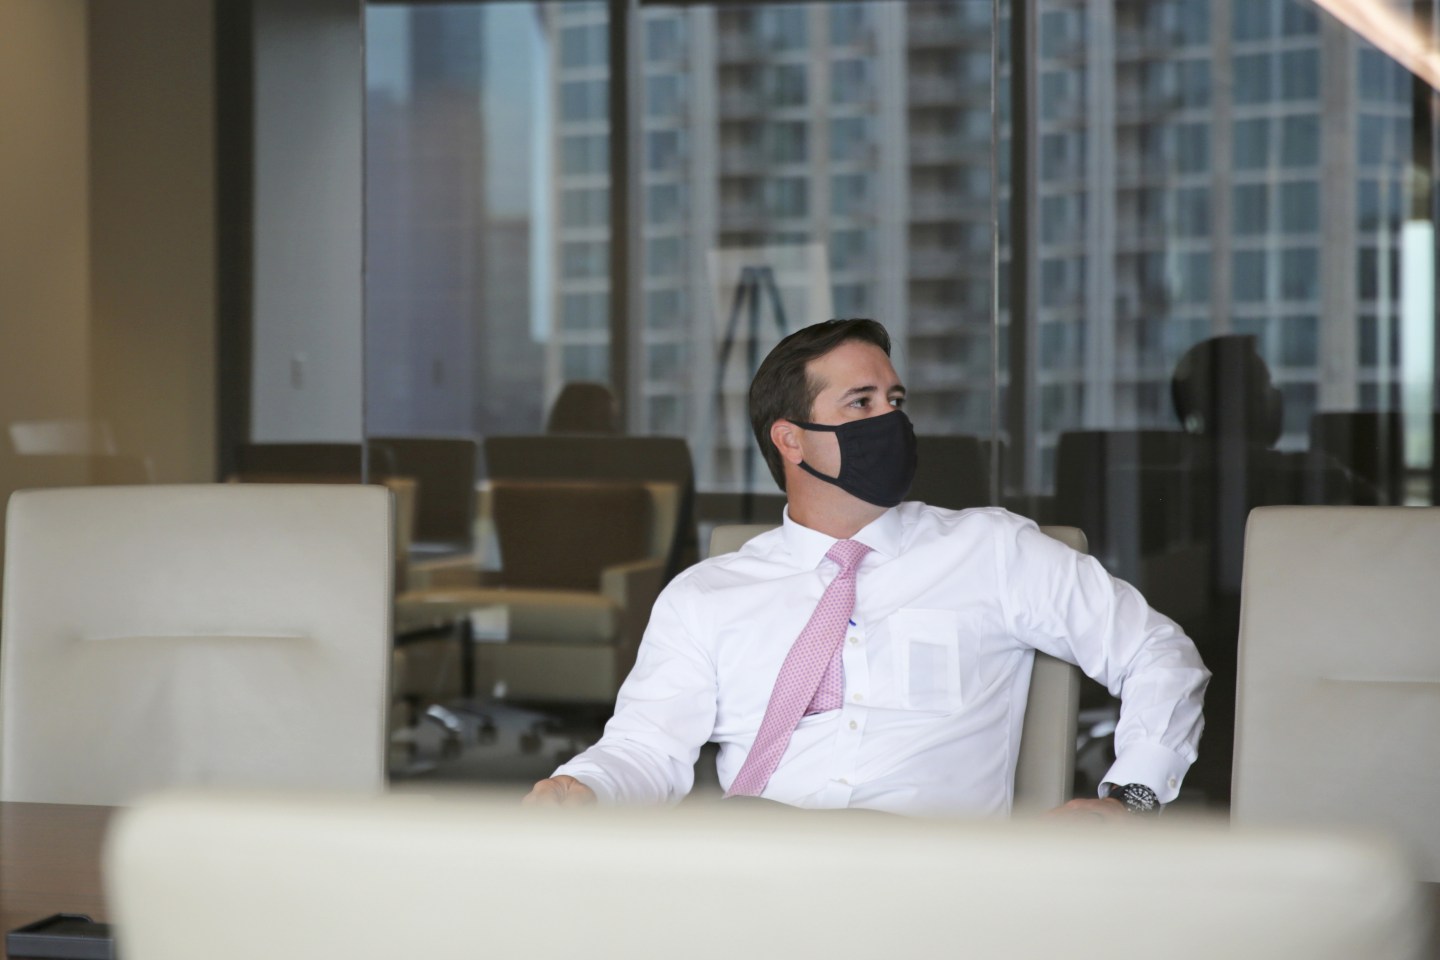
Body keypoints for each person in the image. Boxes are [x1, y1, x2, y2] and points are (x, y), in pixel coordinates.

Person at [526, 319, 1209, 817]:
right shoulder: (707, 595)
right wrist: (581, 786)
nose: (890, 419)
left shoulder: (992, 552)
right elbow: (647, 748)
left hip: (926, 880)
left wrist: (1129, 798)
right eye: (861, 404)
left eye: (896, 401)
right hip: (759, 868)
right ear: (792, 441)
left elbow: (1156, 652)